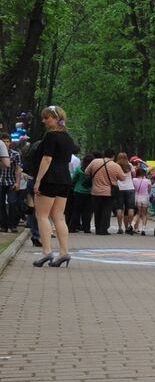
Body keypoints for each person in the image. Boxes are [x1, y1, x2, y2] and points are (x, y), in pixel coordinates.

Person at [30, 105, 77, 267]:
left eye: (47, 117)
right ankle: (64, 252)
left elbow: (47, 159)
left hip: (49, 178)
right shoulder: (67, 137)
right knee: (58, 216)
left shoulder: (51, 137)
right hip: (64, 179)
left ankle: (46, 252)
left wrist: (38, 180)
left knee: (42, 215)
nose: (44, 120)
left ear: (56, 118)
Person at [113, 153, 137, 235]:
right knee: (130, 208)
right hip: (130, 188)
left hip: (119, 188)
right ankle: (129, 226)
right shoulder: (130, 165)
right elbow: (134, 175)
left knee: (119, 208)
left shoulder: (115, 165)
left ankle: (120, 228)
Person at [131, 165, 152, 235]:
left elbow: (133, 188)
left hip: (137, 198)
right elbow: (149, 189)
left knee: (138, 213)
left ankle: (132, 225)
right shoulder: (148, 181)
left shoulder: (134, 180)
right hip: (145, 198)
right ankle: (143, 229)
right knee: (144, 214)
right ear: (144, 174)